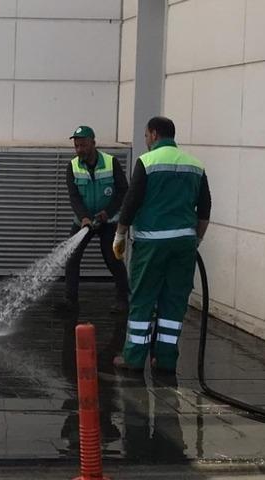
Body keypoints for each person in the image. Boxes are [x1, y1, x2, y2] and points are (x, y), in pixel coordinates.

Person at [112, 116, 212, 373]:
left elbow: (131, 201)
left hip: (152, 244)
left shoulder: (148, 162)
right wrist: (195, 240)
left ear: (154, 134)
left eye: (146, 136)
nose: (145, 141)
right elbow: (205, 209)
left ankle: (134, 358)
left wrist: (120, 234)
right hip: (184, 245)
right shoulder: (195, 165)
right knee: (174, 300)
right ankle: (165, 359)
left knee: (144, 298)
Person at [57, 126, 130, 313]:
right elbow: (74, 197)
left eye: (83, 145)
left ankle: (123, 299)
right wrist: (84, 218)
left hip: (109, 220)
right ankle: (70, 301)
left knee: (112, 258)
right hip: (84, 221)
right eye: (76, 146)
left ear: (93, 143)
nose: (79, 149)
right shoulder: (72, 166)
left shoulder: (111, 162)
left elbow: (123, 191)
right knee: (72, 257)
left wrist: (108, 212)